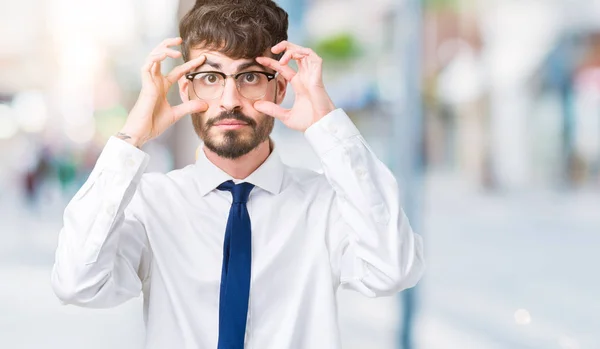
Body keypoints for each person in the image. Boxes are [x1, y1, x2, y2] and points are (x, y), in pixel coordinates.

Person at [50, 0, 425, 348]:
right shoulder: (150, 203)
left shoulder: (325, 203)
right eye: (211, 78)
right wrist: (131, 138)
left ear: (280, 88)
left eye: (249, 77)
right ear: (186, 88)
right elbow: (77, 283)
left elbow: (393, 270)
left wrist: (328, 127)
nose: (230, 100)